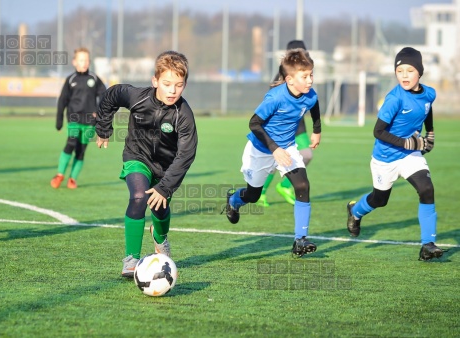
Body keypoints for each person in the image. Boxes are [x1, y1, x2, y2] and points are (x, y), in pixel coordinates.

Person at [95, 51, 198, 277]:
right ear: (155, 81)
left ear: (185, 84)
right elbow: (112, 95)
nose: (172, 90)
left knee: (160, 209)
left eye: (179, 85)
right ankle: (131, 259)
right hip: (136, 157)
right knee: (139, 196)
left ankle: (160, 237)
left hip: (166, 169)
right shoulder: (137, 97)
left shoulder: (184, 115)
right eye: (167, 83)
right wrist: (103, 128)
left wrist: (164, 187)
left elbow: (186, 154)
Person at [346, 47, 442, 261]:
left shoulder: (430, 93)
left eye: (409, 70)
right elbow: (377, 132)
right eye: (400, 71)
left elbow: (427, 108)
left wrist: (431, 132)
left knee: (427, 189)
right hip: (385, 158)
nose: (404, 75)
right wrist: (409, 142)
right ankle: (355, 211)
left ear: (420, 72)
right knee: (380, 200)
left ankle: (428, 244)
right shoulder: (394, 99)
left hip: (410, 156)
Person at [223, 48, 322, 258]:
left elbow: (314, 106)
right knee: (253, 194)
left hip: (287, 148)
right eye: (305, 76)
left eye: (311, 74)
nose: (310, 80)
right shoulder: (275, 97)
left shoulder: (309, 95)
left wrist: (316, 131)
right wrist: (274, 149)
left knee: (302, 185)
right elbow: (254, 123)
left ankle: (300, 240)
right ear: (289, 79)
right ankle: (233, 201)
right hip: (260, 149)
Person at [258, 40, 314, 207]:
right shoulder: (281, 78)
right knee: (276, 161)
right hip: (280, 128)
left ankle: (284, 186)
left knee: (307, 155)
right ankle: (260, 191)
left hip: (299, 126)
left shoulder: (306, 74)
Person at [51, 47, 107, 189]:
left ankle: (72, 179)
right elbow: (62, 100)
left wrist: (99, 112)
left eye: (87, 60)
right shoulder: (70, 80)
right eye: (81, 60)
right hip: (74, 118)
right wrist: (59, 120)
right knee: (71, 142)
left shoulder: (94, 79)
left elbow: (105, 96)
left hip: (90, 122)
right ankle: (60, 174)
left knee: (81, 150)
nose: (84, 63)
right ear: (74, 62)